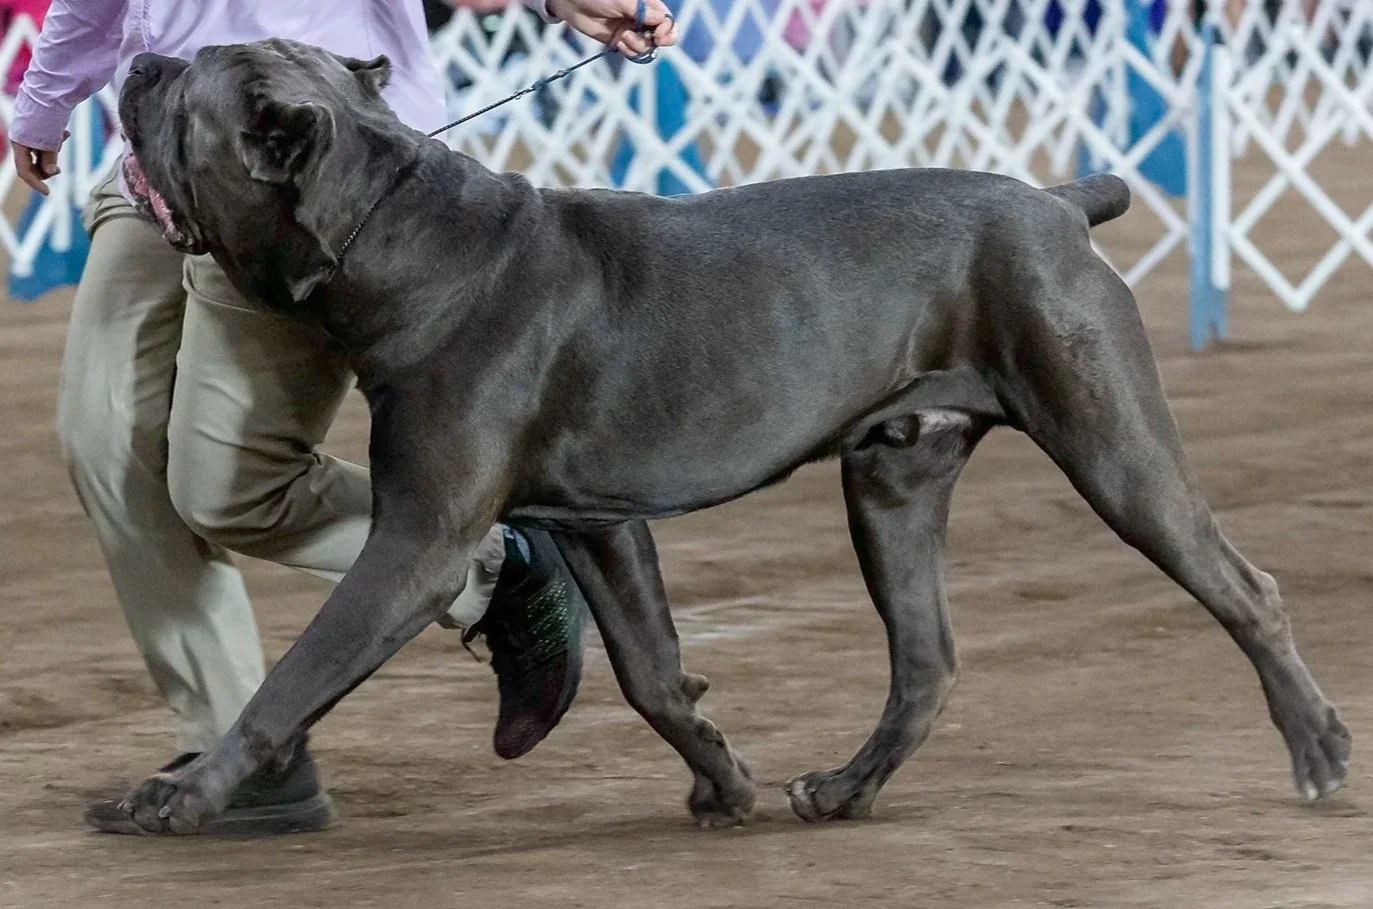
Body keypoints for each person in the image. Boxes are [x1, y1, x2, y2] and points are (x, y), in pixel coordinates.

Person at [10, 0, 677, 836]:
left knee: (233, 489)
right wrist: (45, 100)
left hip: (299, 169)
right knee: (102, 438)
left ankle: (488, 562)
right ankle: (242, 752)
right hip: (163, 147)